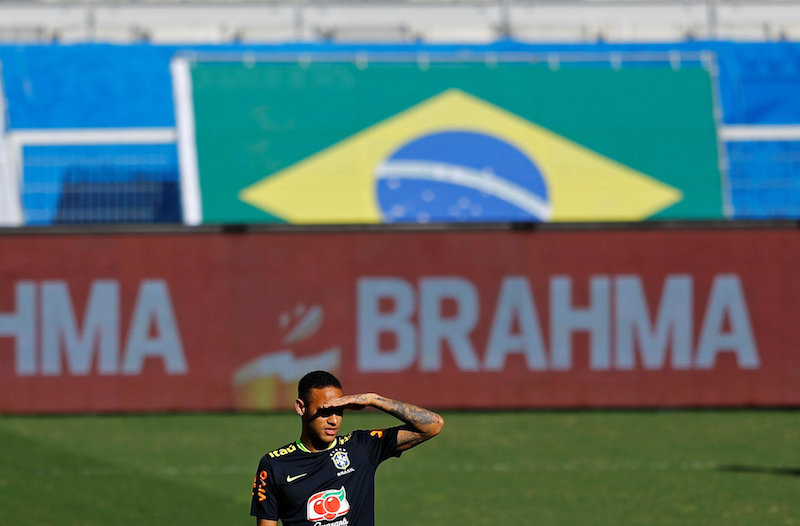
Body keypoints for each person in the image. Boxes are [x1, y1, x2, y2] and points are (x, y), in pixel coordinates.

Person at [251, 370, 444, 526]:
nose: (334, 420)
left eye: (339, 411)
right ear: (301, 407)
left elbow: (433, 425)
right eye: (326, 412)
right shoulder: (275, 465)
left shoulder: (361, 447)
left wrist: (374, 400)